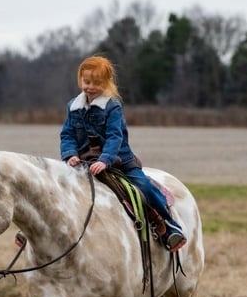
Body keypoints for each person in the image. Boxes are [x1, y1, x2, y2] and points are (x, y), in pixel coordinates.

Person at [59, 55, 186, 253]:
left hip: (119, 160)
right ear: (80, 80)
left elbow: (114, 137)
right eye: (86, 81)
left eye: (97, 82)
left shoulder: (112, 106)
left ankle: (169, 225)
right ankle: (37, 233)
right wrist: (69, 154)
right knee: (55, 185)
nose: (90, 86)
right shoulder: (72, 107)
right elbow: (67, 133)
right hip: (83, 160)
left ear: (107, 83)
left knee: (144, 185)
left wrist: (105, 160)